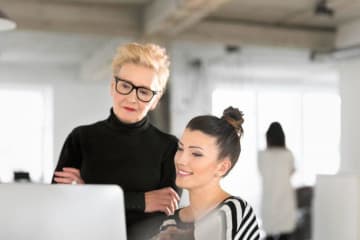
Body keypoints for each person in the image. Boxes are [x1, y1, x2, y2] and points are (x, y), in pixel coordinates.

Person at [52, 42, 181, 240]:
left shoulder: (170, 147)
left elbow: (166, 213)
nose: (132, 98)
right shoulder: (80, 138)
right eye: (125, 86)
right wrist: (142, 201)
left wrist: (88, 192)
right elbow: (60, 201)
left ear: (156, 99)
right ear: (113, 86)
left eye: (144, 92)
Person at [155, 107, 261, 240]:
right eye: (180, 148)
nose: (181, 160)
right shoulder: (170, 222)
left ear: (222, 167)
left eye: (196, 154)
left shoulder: (234, 210)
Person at [258, 122, 296, 240]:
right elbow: (292, 171)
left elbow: (261, 172)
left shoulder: (262, 155)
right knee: (286, 234)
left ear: (268, 138)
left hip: (269, 200)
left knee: (269, 234)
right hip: (285, 200)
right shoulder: (288, 154)